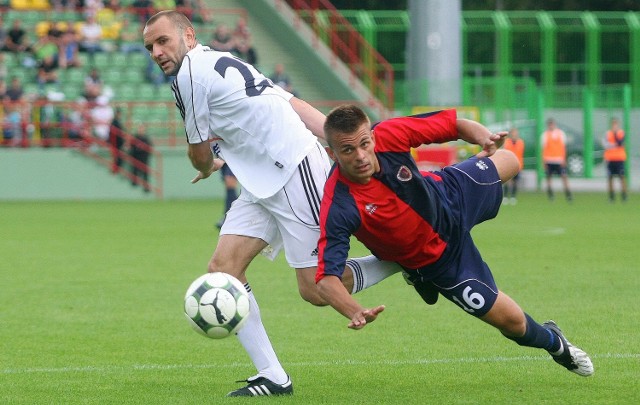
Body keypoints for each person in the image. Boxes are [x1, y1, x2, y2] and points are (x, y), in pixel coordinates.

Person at [143, 10, 399, 397]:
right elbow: (292, 102)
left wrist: (210, 164)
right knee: (223, 269)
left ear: (189, 37)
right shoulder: (219, 60)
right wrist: (331, 139)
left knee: (315, 289)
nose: (157, 52)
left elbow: (197, 152)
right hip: (262, 179)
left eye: (163, 41)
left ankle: (405, 259)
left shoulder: (189, 74)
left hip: (294, 170)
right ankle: (273, 376)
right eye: (150, 47)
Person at [315, 105, 594, 379]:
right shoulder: (339, 204)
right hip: (439, 261)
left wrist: (484, 137)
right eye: (348, 150)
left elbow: (455, 125)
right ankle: (555, 343)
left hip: (451, 194)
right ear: (332, 154)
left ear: (373, 137)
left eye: (364, 144)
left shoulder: (390, 133)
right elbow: (327, 280)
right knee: (513, 323)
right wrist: (355, 311)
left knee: (511, 161)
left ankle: (414, 274)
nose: (361, 156)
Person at [541, 118, 572, 202]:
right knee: (549, 178)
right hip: (549, 160)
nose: (551, 126)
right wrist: (544, 161)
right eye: (549, 124)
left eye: (552, 124)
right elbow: (544, 149)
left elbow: (563, 147)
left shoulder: (561, 134)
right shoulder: (545, 135)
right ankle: (551, 195)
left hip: (559, 160)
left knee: (564, 177)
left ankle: (568, 195)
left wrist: (563, 159)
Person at [603, 117, 627, 202]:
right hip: (610, 158)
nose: (614, 125)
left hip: (619, 158)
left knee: (622, 177)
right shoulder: (608, 133)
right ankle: (611, 196)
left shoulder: (621, 133)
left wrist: (615, 134)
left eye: (616, 124)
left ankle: (624, 196)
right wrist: (612, 145)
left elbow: (620, 143)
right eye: (613, 124)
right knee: (610, 177)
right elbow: (605, 145)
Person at [502, 127, 524, 205]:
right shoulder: (507, 142)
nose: (515, 135)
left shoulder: (521, 142)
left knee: (515, 181)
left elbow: (520, 154)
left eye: (516, 133)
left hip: (518, 165)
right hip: (508, 164)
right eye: (513, 133)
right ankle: (505, 196)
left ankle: (513, 197)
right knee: (507, 181)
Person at [130, 123, 153, 192]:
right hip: (136, 157)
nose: (141, 130)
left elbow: (149, 148)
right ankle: (134, 183)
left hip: (144, 158)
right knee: (134, 170)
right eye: (140, 128)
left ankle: (146, 187)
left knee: (145, 172)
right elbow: (132, 147)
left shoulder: (146, 139)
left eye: (142, 129)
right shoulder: (135, 138)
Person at [216, 163, 238, 229]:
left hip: (234, 157)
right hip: (223, 157)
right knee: (228, 184)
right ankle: (230, 217)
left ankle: (230, 217)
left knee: (230, 182)